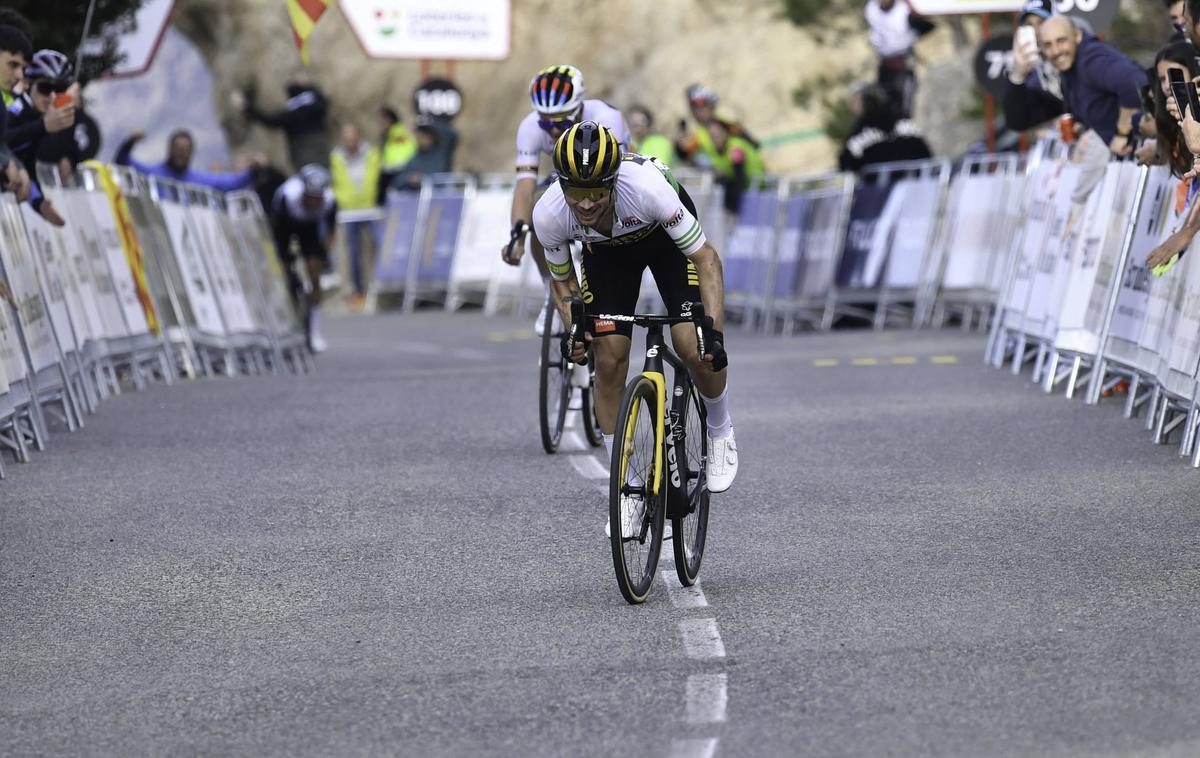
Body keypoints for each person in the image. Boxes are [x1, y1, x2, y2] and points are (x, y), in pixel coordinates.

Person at [532, 121, 739, 537]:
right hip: (607, 256)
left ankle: (719, 428)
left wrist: (713, 330)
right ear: (562, 185)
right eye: (576, 192)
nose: (586, 204)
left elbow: (707, 260)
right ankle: (626, 488)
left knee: (691, 345)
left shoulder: (646, 189)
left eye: (596, 192)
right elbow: (564, 283)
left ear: (613, 181)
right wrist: (576, 330)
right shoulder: (549, 213)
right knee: (607, 360)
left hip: (665, 241)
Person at [499, 64, 631, 336]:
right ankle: (552, 290)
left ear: (580, 108)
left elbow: (615, 181)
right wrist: (517, 235)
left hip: (607, 178)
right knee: (539, 215)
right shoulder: (529, 126)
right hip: (566, 177)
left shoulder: (606, 118)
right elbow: (524, 185)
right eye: (546, 122)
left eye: (561, 122)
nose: (553, 129)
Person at [1004, 15, 1146, 158]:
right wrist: (1018, 74)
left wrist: (1122, 133)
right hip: (1129, 160)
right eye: (1048, 45)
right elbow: (1018, 121)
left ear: (1078, 35)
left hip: (1147, 154)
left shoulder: (1091, 58)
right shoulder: (1067, 72)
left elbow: (1136, 84)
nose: (1056, 51)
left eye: (1061, 41)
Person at [271, 164, 337, 353]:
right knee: (284, 272)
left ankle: (314, 330)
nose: (316, 202)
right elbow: (276, 234)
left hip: (310, 228)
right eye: (311, 198)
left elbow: (331, 233)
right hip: (285, 225)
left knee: (314, 271)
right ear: (304, 193)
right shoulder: (287, 197)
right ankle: (288, 321)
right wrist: (283, 260)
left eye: (319, 198)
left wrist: (322, 257)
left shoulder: (330, 201)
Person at [7, 49, 77, 225]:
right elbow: (4, 140)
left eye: (59, 90)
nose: (52, 96)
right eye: (46, 88)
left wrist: (40, 204)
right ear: (29, 84)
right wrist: (43, 126)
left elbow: (27, 164)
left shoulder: (41, 117)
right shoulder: (14, 106)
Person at [329, 122, 380, 309]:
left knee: (379, 246)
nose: (350, 142)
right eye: (346, 138)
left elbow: (375, 175)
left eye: (352, 137)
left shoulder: (370, 153)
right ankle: (359, 290)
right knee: (354, 254)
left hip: (369, 207)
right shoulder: (337, 157)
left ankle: (382, 287)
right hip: (349, 211)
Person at [233, 74, 329, 169]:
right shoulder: (315, 107)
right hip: (319, 148)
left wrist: (246, 107)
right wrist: (310, 85)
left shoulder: (290, 115)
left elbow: (268, 119)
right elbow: (322, 100)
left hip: (301, 152)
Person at [115, 129, 256, 192]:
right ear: (170, 149)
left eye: (185, 150)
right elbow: (122, 162)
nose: (181, 154)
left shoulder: (199, 181)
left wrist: (254, 170)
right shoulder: (154, 175)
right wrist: (130, 142)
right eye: (178, 149)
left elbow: (232, 183)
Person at [838, 83, 932, 173]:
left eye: (857, 100)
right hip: (913, 185)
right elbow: (928, 156)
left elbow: (846, 164)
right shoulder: (906, 124)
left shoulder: (861, 132)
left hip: (883, 187)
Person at [865, 0, 936, 117]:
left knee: (904, 100)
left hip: (902, 61)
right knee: (883, 98)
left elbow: (929, 26)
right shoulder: (872, 8)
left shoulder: (903, 11)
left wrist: (911, 36)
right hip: (884, 61)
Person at [674, 84, 759, 171]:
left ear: (711, 105)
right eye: (693, 107)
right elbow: (685, 154)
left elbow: (754, 144)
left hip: (751, 176)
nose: (697, 111)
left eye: (702, 105)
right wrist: (679, 144)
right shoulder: (700, 133)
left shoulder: (727, 123)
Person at [705, 119, 766, 216]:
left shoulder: (735, 147)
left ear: (725, 133)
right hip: (744, 185)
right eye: (712, 137)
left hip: (755, 187)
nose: (716, 139)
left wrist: (733, 210)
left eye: (718, 135)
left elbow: (739, 176)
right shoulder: (718, 150)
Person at [389, 115, 458, 191]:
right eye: (420, 135)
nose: (422, 139)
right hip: (416, 199)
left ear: (433, 136)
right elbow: (398, 181)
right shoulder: (415, 157)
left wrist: (433, 120)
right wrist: (409, 179)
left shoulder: (442, 153)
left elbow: (453, 135)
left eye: (426, 135)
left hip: (438, 199)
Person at [377, 107, 416, 203]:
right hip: (390, 169)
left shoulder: (397, 132)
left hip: (398, 169)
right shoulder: (389, 134)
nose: (382, 123)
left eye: (383, 119)